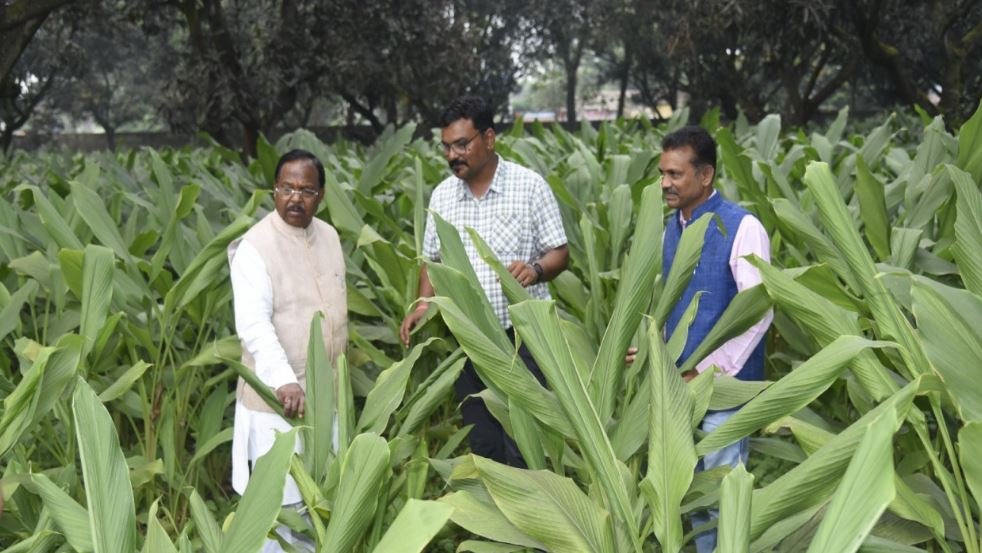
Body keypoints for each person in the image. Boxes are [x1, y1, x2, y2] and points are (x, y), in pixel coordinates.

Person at [399, 95, 569, 467]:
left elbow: (560, 251)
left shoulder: (529, 186)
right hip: (469, 337)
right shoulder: (443, 195)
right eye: (446, 147)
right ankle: (492, 519)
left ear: (489, 138)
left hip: (521, 337)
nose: (452, 155)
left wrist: (536, 269)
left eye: (462, 144)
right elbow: (433, 258)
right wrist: (423, 304)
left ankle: (530, 519)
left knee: (524, 439)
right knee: (483, 437)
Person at [647, 126, 773, 552]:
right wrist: (655, 354)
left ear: (705, 176)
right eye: (662, 173)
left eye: (675, 174)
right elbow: (673, 309)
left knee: (722, 499)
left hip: (725, 395)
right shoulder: (671, 229)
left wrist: (706, 369)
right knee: (694, 494)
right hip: (680, 390)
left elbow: (757, 312)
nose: (665, 183)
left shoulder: (743, 227)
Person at [227, 149, 347, 553]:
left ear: (322, 195)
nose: (295, 198)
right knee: (278, 512)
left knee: (318, 503)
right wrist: (284, 381)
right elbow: (254, 326)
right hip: (277, 404)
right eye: (287, 188)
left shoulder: (329, 236)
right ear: (274, 190)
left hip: (325, 397)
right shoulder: (255, 247)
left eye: (306, 190)